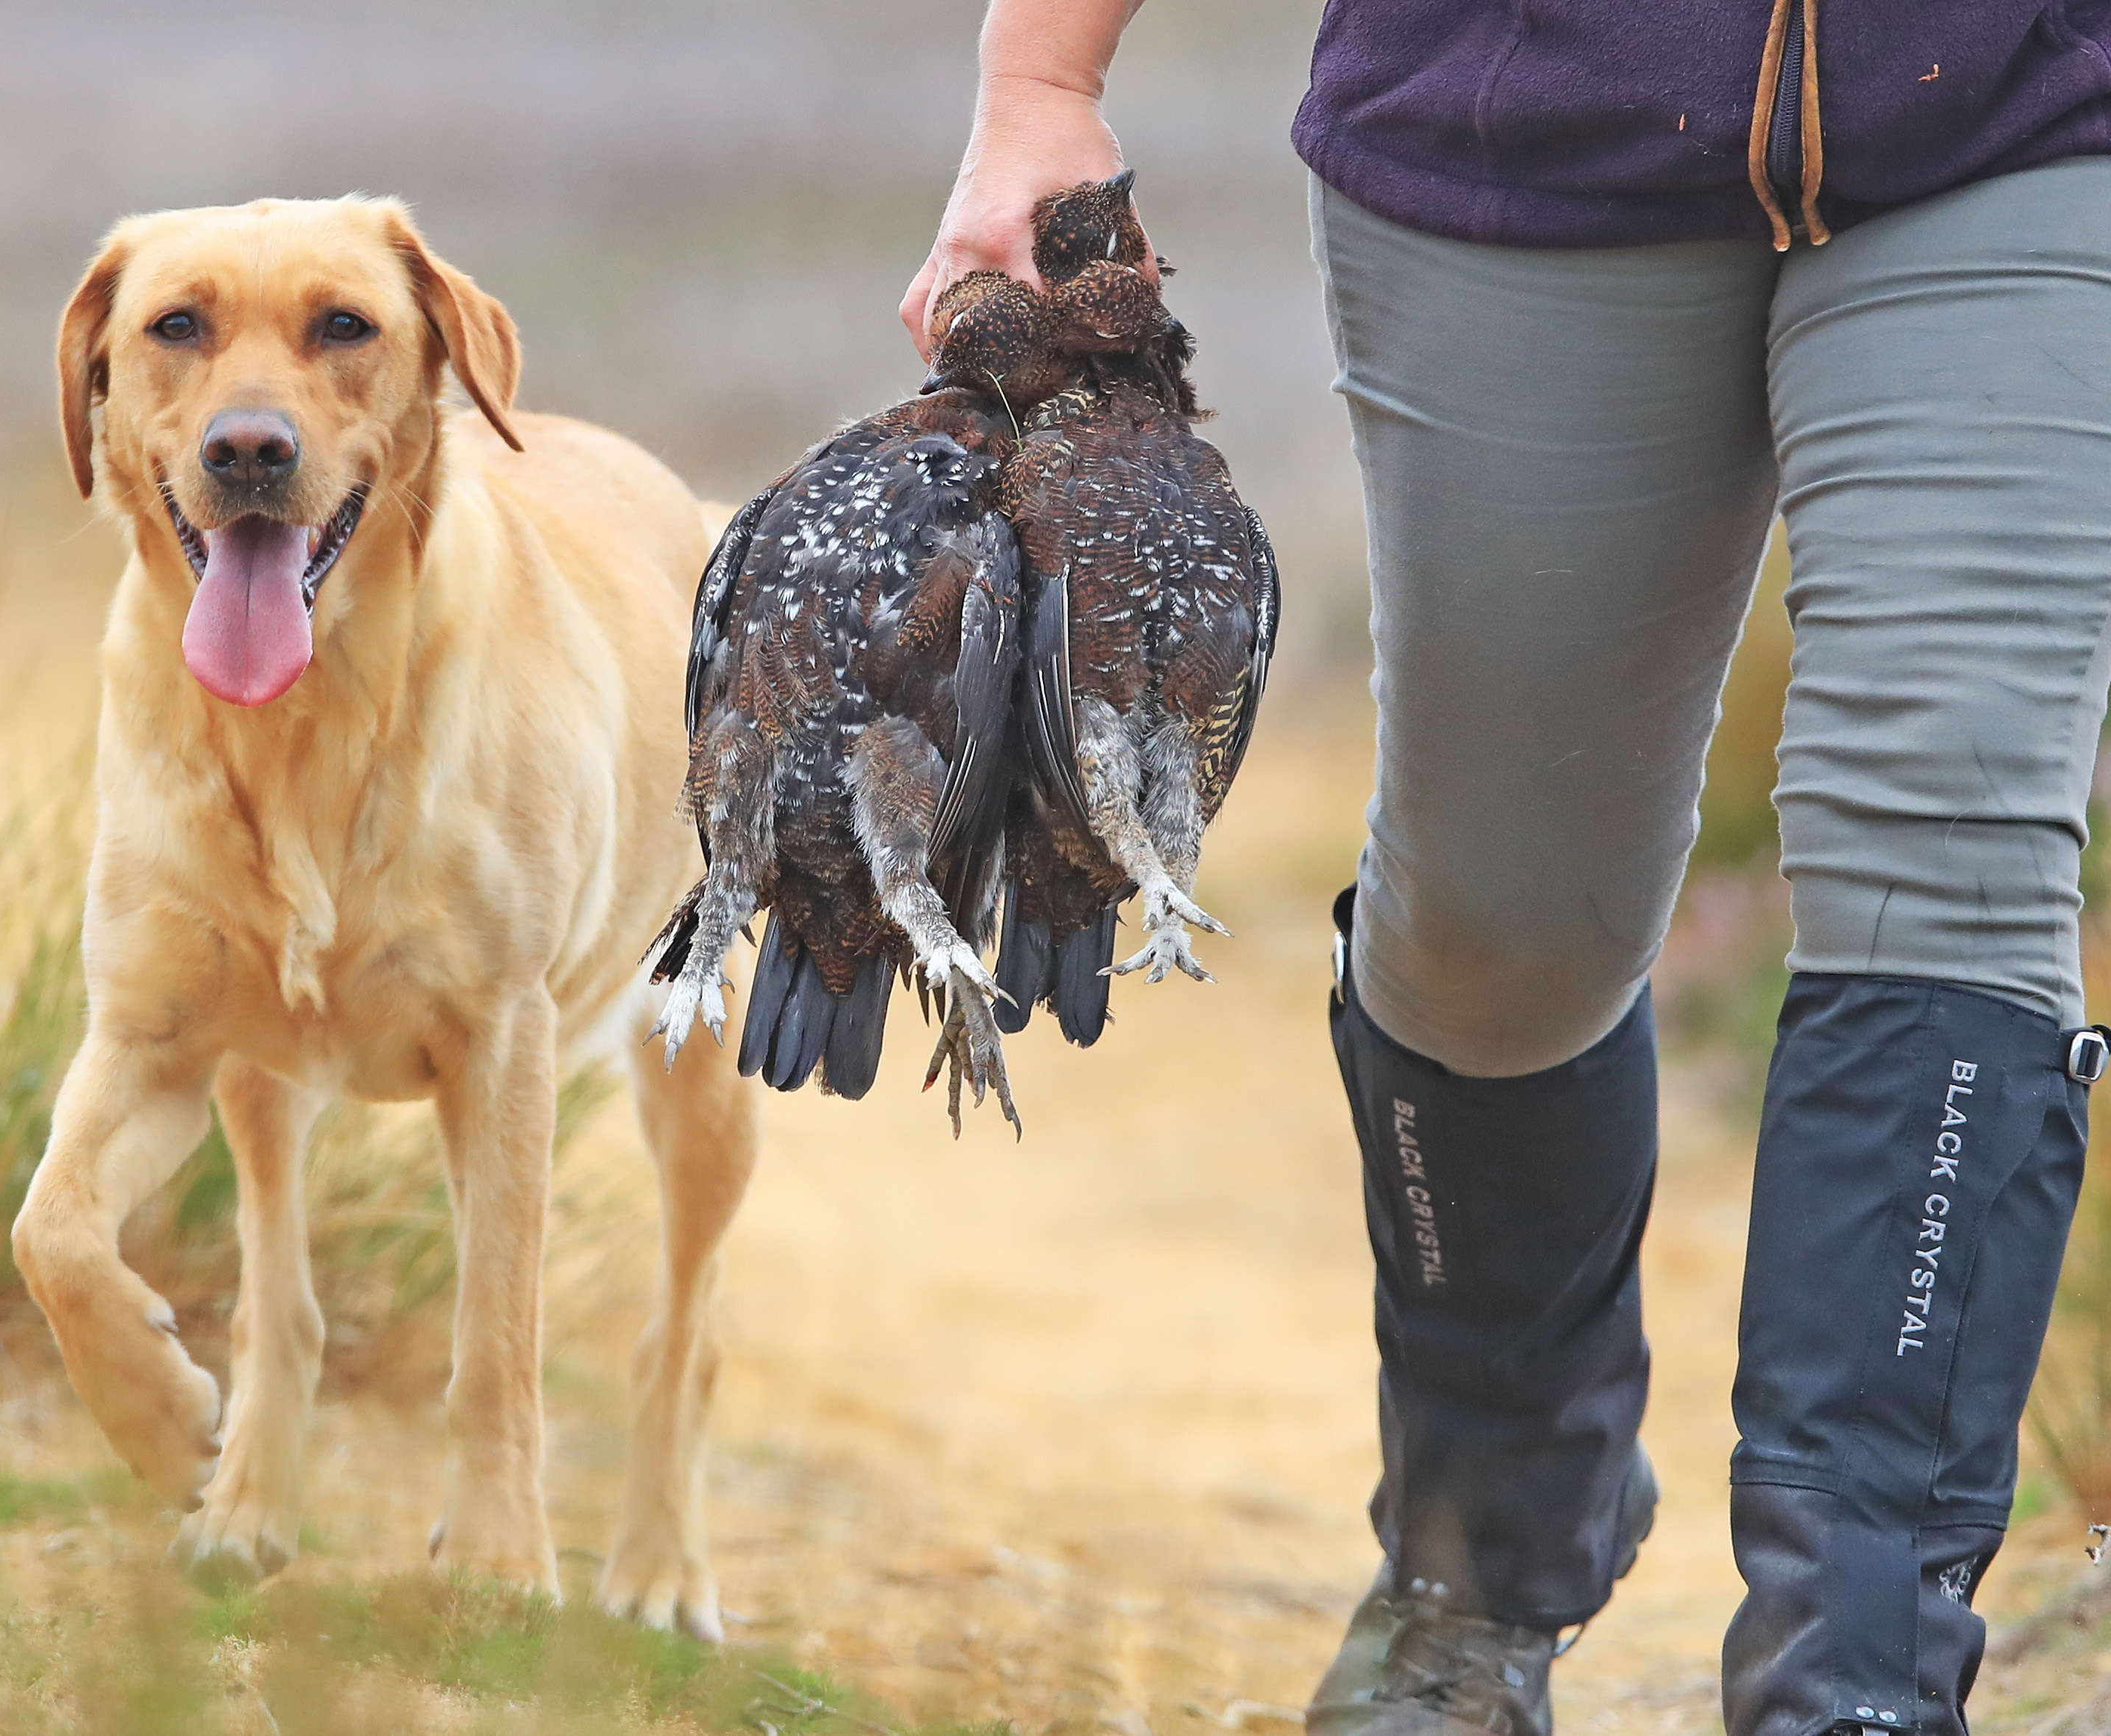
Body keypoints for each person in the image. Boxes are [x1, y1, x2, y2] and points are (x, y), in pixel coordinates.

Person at [903, 5, 2111, 1735]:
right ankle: (1480, 1567)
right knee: (1501, 920)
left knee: (1959, 832)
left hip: (2026, 112)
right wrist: (1041, 86)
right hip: (1526, 116)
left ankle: (1857, 1670)